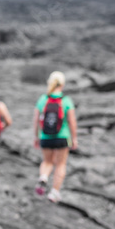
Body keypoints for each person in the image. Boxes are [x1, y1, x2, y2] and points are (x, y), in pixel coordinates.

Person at [33, 71, 77, 203]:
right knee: (61, 164)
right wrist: (74, 138)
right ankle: (54, 192)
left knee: (47, 161)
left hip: (45, 136)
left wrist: (36, 137)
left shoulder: (43, 99)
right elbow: (72, 122)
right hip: (62, 137)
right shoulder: (66, 100)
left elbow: (36, 120)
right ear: (62, 84)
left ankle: (44, 177)